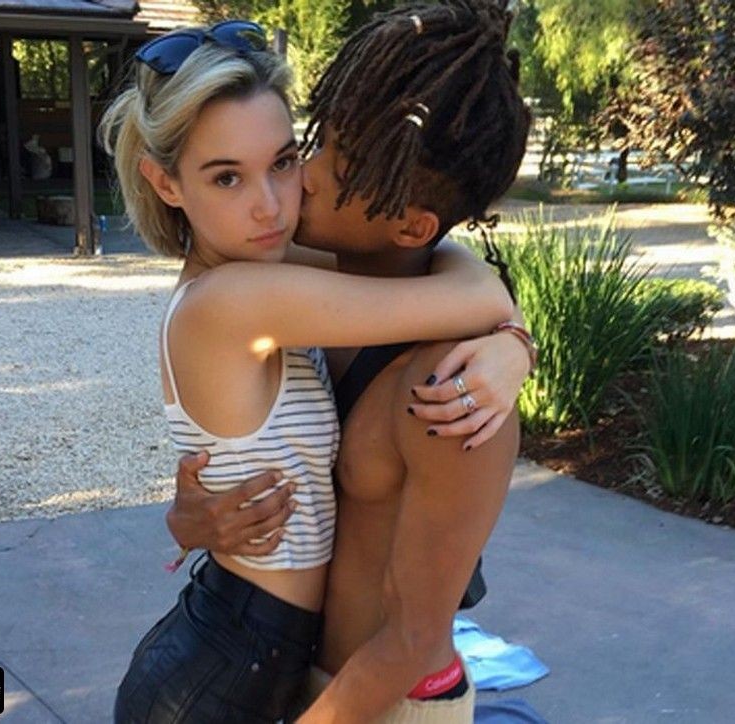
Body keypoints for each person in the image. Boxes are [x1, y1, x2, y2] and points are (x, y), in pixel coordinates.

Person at [99, 16, 521, 723]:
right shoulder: (245, 297)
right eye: (226, 177)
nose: (281, 201)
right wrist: (514, 336)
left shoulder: (312, 287)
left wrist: (509, 339)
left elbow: (445, 268)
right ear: (166, 183)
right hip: (229, 671)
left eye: (287, 160)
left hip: (303, 677)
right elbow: (476, 290)